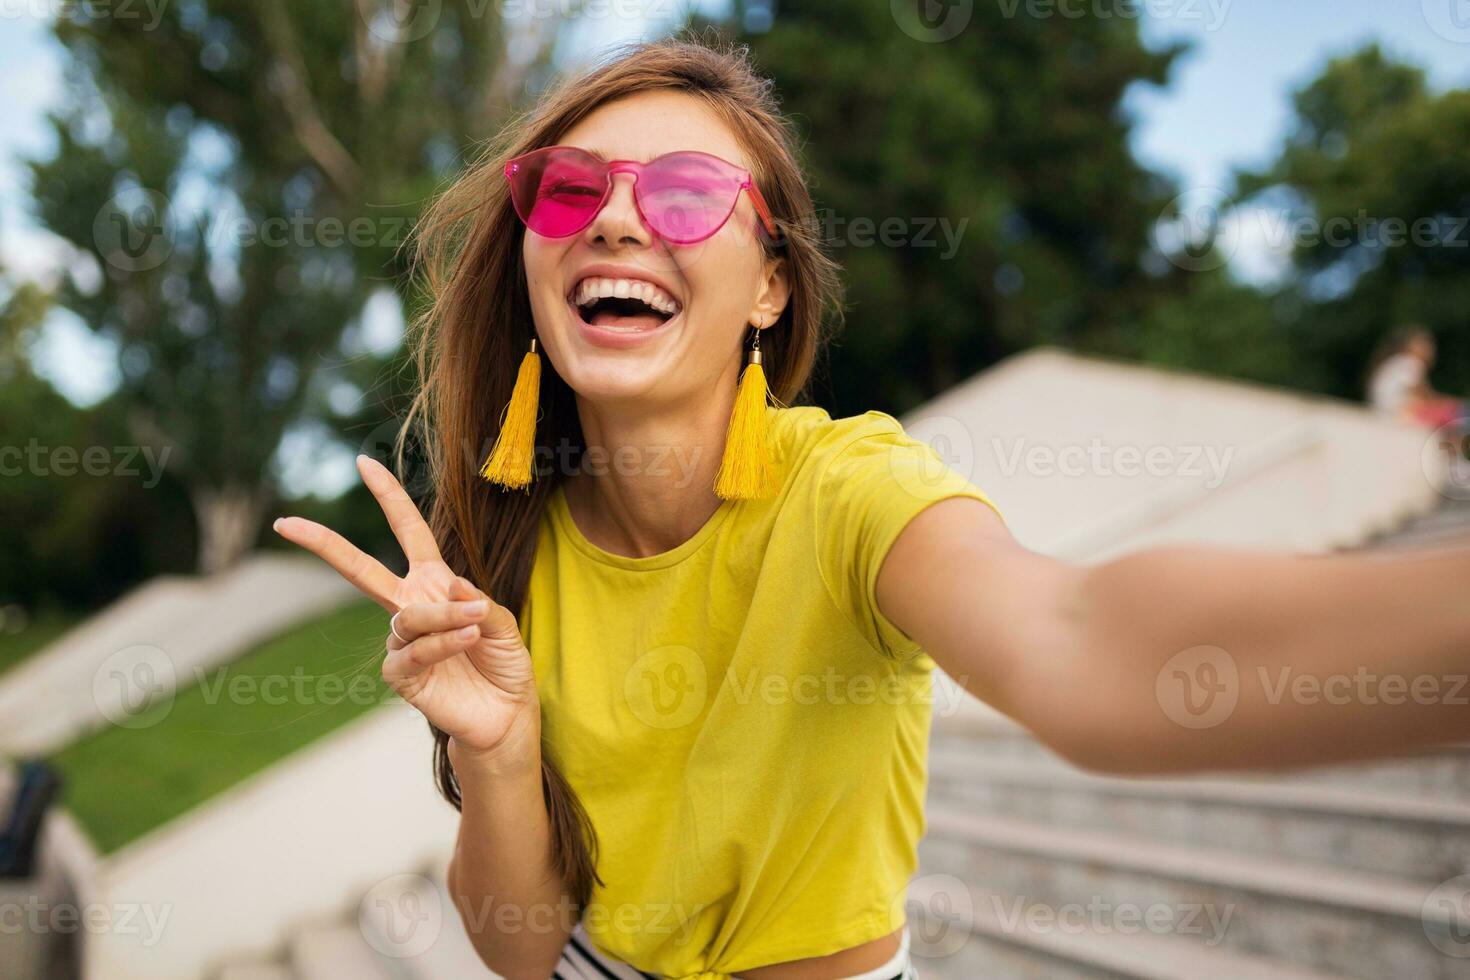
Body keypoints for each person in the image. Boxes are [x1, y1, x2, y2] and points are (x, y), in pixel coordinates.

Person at [274, 36, 1470, 980]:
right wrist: (500, 748)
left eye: (689, 194)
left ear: (771, 285)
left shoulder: (850, 489)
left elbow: (1085, 641)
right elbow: (520, 944)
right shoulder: (513, 552)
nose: (619, 219)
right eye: (570, 188)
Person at [1367, 324, 1467, 429]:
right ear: (1411, 347)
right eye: (1426, 346)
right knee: (1461, 412)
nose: (1430, 350)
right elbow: (1422, 395)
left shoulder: (1398, 361)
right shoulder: (1411, 363)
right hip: (1398, 411)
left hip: (1385, 407)